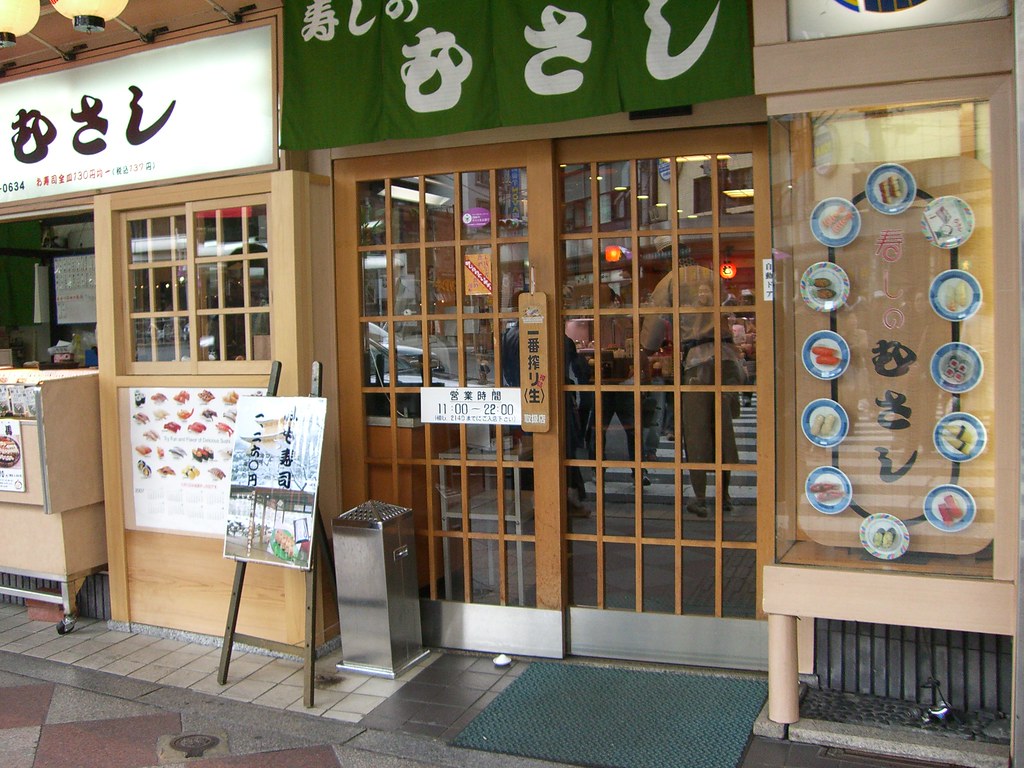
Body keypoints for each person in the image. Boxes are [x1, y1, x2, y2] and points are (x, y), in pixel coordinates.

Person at [640, 256, 744, 518]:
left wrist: (646, 349)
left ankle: (700, 497)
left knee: (696, 429)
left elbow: (652, 329)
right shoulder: (712, 275)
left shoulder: (671, 280)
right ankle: (725, 495)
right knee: (723, 428)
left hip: (698, 361)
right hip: (728, 358)